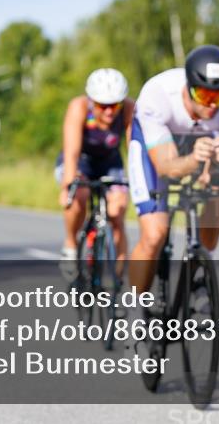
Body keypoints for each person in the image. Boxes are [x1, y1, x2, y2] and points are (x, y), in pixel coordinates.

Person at [125, 45, 219, 351]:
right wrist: (195, 160)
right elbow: (166, 167)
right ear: (189, 88)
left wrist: (218, 168)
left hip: (202, 142)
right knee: (154, 233)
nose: (212, 104)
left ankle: (200, 270)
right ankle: (134, 311)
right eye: (204, 95)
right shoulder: (157, 95)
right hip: (159, 144)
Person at [56, 68, 134, 280]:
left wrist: (141, 182)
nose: (109, 111)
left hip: (110, 162)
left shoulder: (128, 108)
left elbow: (134, 149)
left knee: (117, 211)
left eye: (115, 105)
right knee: (78, 197)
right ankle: (71, 245)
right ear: (92, 101)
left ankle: (117, 282)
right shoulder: (79, 107)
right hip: (81, 160)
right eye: (103, 106)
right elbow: (71, 152)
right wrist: (68, 187)